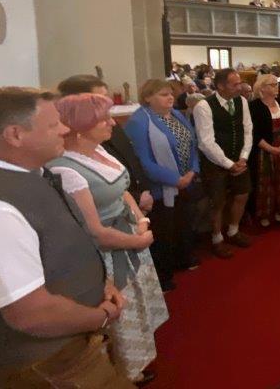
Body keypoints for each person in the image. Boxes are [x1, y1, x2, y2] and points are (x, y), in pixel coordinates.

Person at [0, 88, 134, 389]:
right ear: (15, 135)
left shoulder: (33, 173)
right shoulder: (3, 208)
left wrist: (101, 284)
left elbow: (59, 249)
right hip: (50, 358)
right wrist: (100, 316)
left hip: (73, 337)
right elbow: (30, 314)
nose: (65, 129)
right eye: (54, 124)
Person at [49, 94, 168, 383]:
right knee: (120, 312)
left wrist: (140, 219)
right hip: (108, 251)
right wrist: (138, 241)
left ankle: (137, 360)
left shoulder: (99, 150)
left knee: (137, 302)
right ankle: (124, 372)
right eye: (104, 119)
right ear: (80, 128)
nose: (112, 123)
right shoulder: (65, 168)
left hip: (128, 234)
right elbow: (94, 231)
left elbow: (122, 190)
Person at [124, 80, 201, 292]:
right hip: (161, 187)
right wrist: (175, 179)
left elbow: (193, 144)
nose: (170, 98)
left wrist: (192, 171)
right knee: (163, 231)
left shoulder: (176, 114)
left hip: (186, 181)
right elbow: (143, 161)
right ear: (148, 97)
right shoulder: (139, 121)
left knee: (183, 224)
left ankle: (182, 258)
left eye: (171, 94)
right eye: (163, 94)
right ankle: (163, 274)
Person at [57, 75, 155, 220]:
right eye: (98, 99)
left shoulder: (109, 127)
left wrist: (143, 192)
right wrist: (137, 199)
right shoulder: (70, 151)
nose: (104, 104)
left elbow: (131, 158)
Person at [192, 68, 253, 259]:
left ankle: (233, 231)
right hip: (215, 162)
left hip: (239, 159)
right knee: (217, 202)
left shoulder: (242, 101)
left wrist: (243, 157)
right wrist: (229, 164)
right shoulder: (203, 106)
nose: (239, 87)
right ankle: (217, 238)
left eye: (239, 83)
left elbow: (248, 130)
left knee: (242, 195)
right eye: (235, 84)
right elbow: (206, 142)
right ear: (220, 86)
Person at [249, 74, 280, 226]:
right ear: (262, 88)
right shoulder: (254, 106)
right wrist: (271, 149)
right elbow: (254, 133)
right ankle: (265, 213)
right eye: (273, 84)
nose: (277, 87)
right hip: (264, 148)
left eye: (277, 84)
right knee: (266, 181)